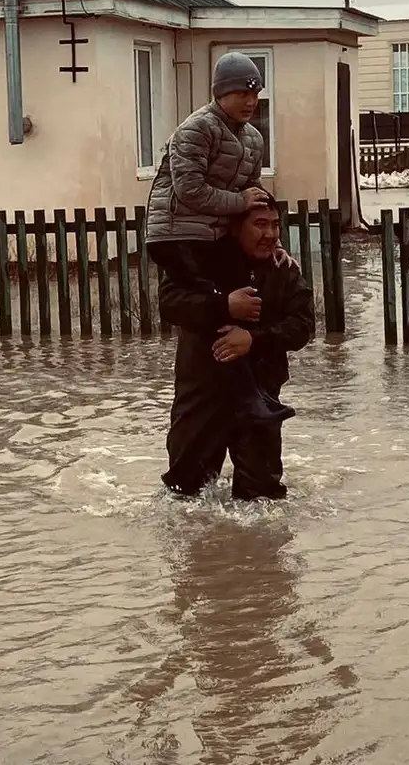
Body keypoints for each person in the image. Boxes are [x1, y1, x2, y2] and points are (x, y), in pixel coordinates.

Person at [145, 51, 295, 425]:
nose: (250, 100)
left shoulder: (254, 139)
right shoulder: (196, 129)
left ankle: (252, 396)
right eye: (241, 93)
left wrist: (273, 242)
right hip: (176, 232)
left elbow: (253, 193)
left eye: (255, 92)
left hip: (212, 234)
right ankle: (246, 399)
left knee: (242, 294)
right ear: (220, 93)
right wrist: (239, 200)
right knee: (219, 304)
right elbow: (190, 189)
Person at [158, 193, 315, 500]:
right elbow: (170, 304)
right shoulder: (201, 263)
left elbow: (302, 327)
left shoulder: (284, 269)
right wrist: (223, 306)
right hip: (202, 395)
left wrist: (253, 340)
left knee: (262, 502)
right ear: (233, 228)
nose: (269, 234)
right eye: (259, 224)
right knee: (185, 498)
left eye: (274, 225)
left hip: (260, 397)